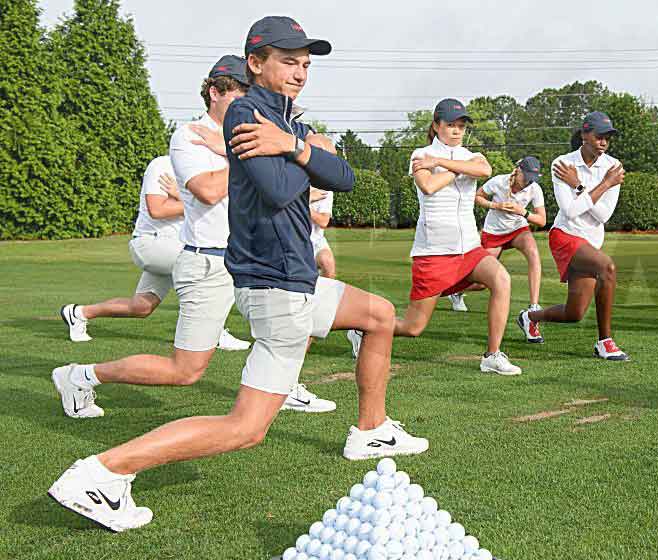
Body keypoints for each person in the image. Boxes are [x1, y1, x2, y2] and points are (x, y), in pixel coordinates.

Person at [48, 17, 428, 533]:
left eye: (306, 64)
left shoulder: (286, 122)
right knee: (245, 427)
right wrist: (310, 155)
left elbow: (345, 176)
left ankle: (371, 428)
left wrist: (297, 148)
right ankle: (102, 472)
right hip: (276, 284)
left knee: (379, 314)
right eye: (288, 62)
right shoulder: (248, 113)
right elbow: (278, 190)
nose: (300, 73)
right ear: (256, 63)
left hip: (297, 279)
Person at [50, 55, 335, 419]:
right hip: (208, 263)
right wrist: (249, 158)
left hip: (256, 261)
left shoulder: (257, 131)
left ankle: (286, 388)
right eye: (239, 93)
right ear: (214, 93)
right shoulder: (188, 137)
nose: (249, 101)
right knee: (185, 370)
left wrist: (291, 146)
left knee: (332, 319)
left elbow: (318, 152)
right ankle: (80, 376)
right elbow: (208, 191)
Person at [348, 98, 520, 375]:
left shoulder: (465, 155)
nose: (456, 131)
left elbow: (485, 170)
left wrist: (443, 163)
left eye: (461, 126)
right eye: (450, 125)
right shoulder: (419, 154)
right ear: (436, 125)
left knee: (501, 279)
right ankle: (361, 328)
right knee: (413, 327)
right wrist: (458, 167)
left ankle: (492, 355)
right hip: (434, 251)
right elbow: (428, 186)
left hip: (470, 248)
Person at [59, 157, 250, 351]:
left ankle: (78, 313)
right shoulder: (162, 165)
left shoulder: (212, 173)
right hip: (152, 243)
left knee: (142, 307)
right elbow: (157, 209)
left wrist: (184, 198)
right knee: (217, 267)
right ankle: (213, 333)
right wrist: (194, 202)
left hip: (178, 247)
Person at [518, 112, 628, 360]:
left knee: (574, 313)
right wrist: (603, 185)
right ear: (584, 135)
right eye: (599, 136)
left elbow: (602, 216)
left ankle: (529, 317)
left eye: (608, 138)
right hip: (564, 235)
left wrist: (579, 186)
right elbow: (569, 211)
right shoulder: (562, 163)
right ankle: (605, 342)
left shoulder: (614, 167)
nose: (604, 142)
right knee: (607, 267)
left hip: (590, 242)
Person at [466, 156, 546, 329]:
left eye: (533, 179)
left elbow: (541, 220)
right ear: (518, 171)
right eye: (526, 177)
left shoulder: (534, 188)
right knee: (481, 282)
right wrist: (496, 206)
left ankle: (533, 308)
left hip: (518, 230)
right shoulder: (499, 182)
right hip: (494, 233)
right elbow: (477, 197)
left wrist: (523, 212)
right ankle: (457, 292)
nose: (528, 183)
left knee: (533, 254)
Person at [309, 187, 336, 278]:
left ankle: (325, 292)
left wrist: (303, 205)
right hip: (293, 242)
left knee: (327, 261)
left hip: (316, 241)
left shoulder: (326, 190)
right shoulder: (292, 183)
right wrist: (307, 198)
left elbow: (323, 221)